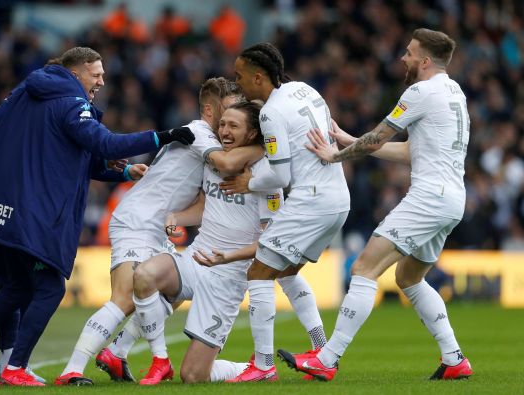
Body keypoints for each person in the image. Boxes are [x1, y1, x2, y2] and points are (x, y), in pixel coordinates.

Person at [0, 46, 194, 387]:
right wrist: (162, 136)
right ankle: (10, 366)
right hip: (34, 211)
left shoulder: (24, 94)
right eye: (96, 73)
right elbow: (103, 143)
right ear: (76, 73)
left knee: (18, 284)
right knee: (49, 288)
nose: (102, 80)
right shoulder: (71, 102)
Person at [280, 28, 473, 381]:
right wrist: (351, 140)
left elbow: (377, 138)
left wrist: (336, 154)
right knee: (409, 277)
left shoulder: (419, 91)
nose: (403, 57)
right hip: (452, 199)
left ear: (425, 61)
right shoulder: (454, 92)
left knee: (364, 268)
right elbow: (408, 150)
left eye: (409, 52)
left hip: (428, 198)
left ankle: (327, 358)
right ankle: (454, 358)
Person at [54, 77, 262, 386]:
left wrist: (176, 215)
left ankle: (118, 352)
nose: (232, 120)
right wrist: (266, 145)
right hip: (138, 221)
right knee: (125, 299)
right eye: (229, 109)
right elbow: (226, 164)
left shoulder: (210, 139)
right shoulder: (199, 133)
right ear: (210, 110)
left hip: (154, 224)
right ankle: (72, 369)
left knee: (168, 292)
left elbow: (205, 199)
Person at [218, 42, 350, 382]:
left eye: (240, 76)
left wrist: (250, 181)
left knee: (259, 273)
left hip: (312, 200)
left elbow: (280, 174)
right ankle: (321, 350)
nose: (238, 84)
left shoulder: (269, 111)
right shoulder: (305, 89)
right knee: (287, 272)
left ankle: (263, 365)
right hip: (337, 198)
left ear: (259, 77)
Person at [131, 100, 284, 385]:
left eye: (233, 126)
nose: (224, 131)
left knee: (192, 376)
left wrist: (227, 257)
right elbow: (204, 205)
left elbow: (270, 242)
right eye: (223, 124)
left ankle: (252, 369)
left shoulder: (266, 177)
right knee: (143, 275)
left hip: (229, 275)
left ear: (252, 134)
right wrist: (176, 215)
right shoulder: (213, 160)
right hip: (196, 257)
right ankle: (159, 359)